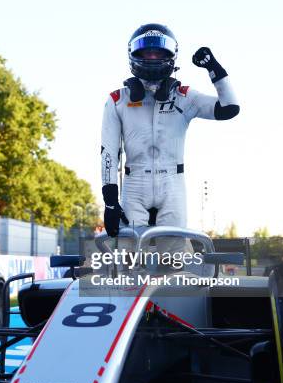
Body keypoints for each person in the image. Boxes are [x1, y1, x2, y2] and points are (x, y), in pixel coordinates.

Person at [101, 23, 239, 238]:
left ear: (170, 55)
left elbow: (230, 108)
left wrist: (214, 68)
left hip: (173, 184)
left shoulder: (184, 97)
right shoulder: (117, 99)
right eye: (147, 52)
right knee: (129, 258)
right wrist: (110, 202)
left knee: (173, 259)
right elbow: (109, 153)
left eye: (158, 52)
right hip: (134, 184)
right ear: (134, 54)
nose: (153, 57)